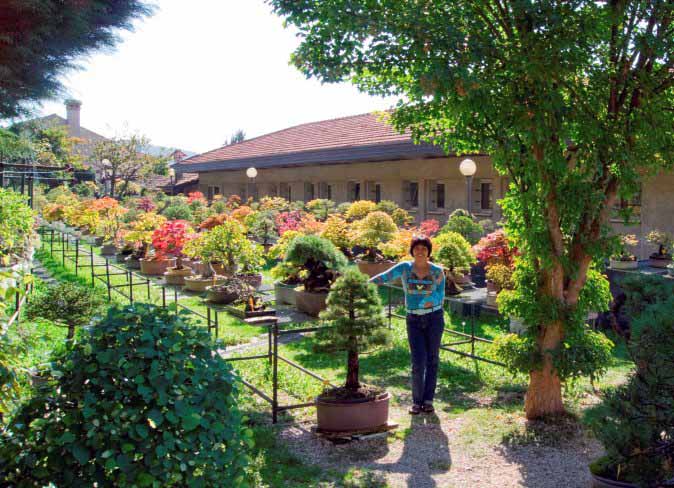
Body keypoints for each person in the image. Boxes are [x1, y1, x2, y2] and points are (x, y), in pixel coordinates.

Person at [370, 235, 445, 415]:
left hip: (434, 318)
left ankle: (428, 400)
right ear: (412, 251)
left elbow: (440, 295)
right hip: (413, 320)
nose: (420, 251)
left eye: (424, 249)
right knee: (418, 361)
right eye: (417, 248)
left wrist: (423, 302)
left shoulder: (437, 271)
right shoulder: (404, 268)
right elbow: (385, 276)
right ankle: (416, 402)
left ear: (429, 252)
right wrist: (364, 283)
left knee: (432, 359)